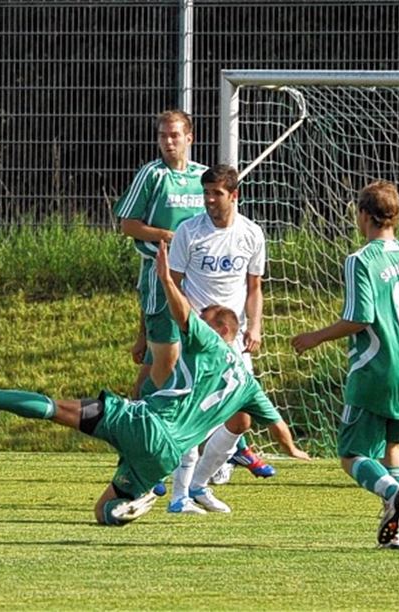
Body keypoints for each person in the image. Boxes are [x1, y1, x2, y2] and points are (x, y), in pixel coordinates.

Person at [0, 240, 309, 526]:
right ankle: (126, 507)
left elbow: (183, 313)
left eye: (205, 319)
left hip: (145, 423)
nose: (198, 323)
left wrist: (167, 280)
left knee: (56, 409)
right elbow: (277, 426)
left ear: (223, 330)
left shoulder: (210, 342)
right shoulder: (248, 384)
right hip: (165, 457)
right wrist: (294, 451)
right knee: (103, 510)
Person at [291, 180, 399, 550]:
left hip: (378, 371)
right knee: (392, 447)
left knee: (351, 455)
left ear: (364, 215)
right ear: (396, 217)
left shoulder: (361, 260)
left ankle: (391, 491)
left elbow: (359, 318)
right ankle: (396, 532)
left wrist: (315, 337)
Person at [163, 164, 275, 515]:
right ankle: (178, 497)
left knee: (241, 419)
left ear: (234, 195)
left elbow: (254, 287)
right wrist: (189, 327)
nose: (209, 200)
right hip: (199, 337)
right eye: (206, 193)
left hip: (234, 340)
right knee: (194, 413)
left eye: (217, 193)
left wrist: (254, 327)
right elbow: (173, 284)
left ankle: (198, 484)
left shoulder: (251, 233)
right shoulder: (189, 231)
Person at [114, 109, 207, 397]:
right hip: (160, 273)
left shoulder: (203, 176)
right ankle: (135, 413)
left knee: (190, 354)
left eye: (175, 135)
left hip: (198, 277)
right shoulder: (152, 174)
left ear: (189, 138)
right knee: (166, 357)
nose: (168, 142)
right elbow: (128, 225)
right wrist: (167, 237)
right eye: (162, 136)